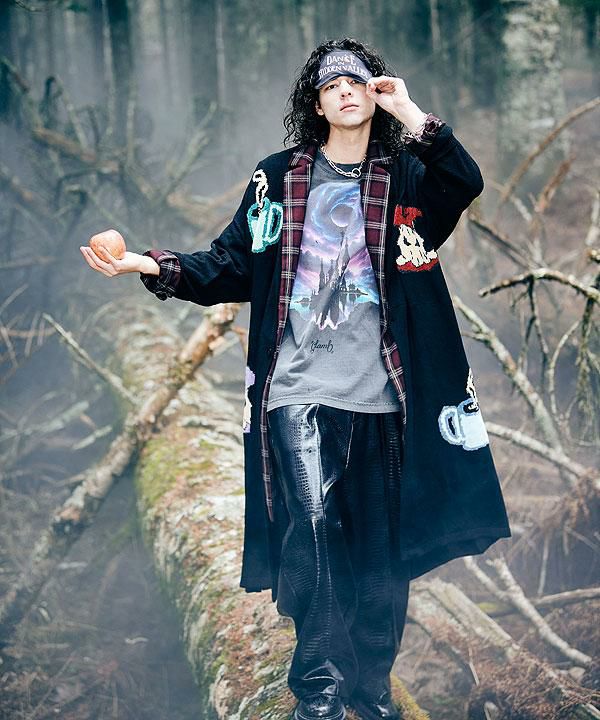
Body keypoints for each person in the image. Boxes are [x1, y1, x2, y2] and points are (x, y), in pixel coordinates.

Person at [80, 37, 511, 720]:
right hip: (297, 389)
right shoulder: (278, 178)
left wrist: (409, 112)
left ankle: (370, 689)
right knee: (310, 526)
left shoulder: (406, 178)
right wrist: (147, 264)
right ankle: (318, 687)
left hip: (385, 396)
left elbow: (464, 181)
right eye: (330, 85)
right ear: (316, 104)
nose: (345, 91)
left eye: (357, 81)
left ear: (373, 93)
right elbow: (230, 263)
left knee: (380, 558)